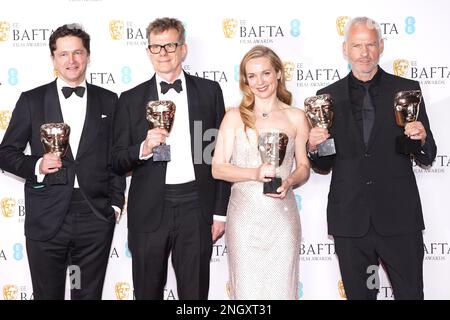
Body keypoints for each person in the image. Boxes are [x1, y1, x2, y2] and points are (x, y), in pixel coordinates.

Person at [307, 17, 436, 300]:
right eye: (356, 45)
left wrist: (422, 138)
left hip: (400, 218)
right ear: (345, 49)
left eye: (370, 45)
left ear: (381, 46)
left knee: (411, 295)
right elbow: (324, 164)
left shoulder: (406, 91)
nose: (364, 53)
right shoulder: (326, 97)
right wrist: (315, 148)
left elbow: (427, 156)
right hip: (351, 220)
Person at [0, 24, 125, 299]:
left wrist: (115, 204)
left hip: (95, 215)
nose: (72, 61)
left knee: (87, 294)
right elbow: (6, 153)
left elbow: (116, 156)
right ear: (53, 58)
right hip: (46, 215)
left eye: (78, 53)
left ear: (88, 56)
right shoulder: (32, 100)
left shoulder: (109, 100)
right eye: (64, 54)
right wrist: (37, 166)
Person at [111, 17, 230, 300]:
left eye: (170, 45)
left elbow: (217, 155)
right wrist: (143, 148)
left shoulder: (209, 92)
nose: (163, 53)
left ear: (183, 49)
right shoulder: (129, 99)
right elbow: (116, 160)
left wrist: (218, 212)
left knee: (195, 293)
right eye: (156, 47)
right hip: (149, 208)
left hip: (195, 206)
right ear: (148, 51)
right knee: (147, 291)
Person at [212, 45, 310, 299]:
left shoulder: (296, 117)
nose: (260, 82)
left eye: (266, 73)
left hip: (281, 218)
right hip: (244, 219)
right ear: (245, 81)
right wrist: (254, 173)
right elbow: (218, 168)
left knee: (282, 291)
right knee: (246, 292)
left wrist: (289, 180)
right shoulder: (234, 117)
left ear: (278, 73)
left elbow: (304, 167)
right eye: (252, 76)